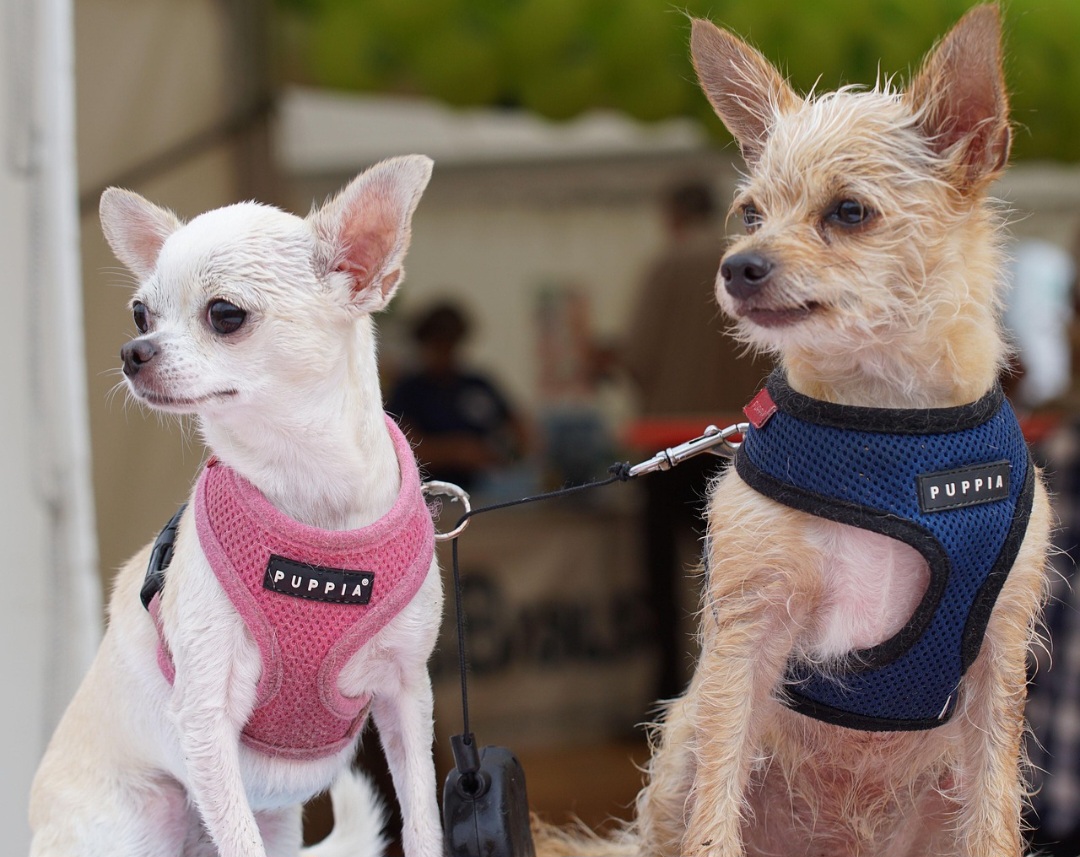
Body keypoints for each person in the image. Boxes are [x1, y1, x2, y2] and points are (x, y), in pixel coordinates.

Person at [621, 181, 771, 699]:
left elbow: (639, 356)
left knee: (665, 583)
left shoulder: (667, 266)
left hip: (671, 445)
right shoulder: (756, 262)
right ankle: (737, 694)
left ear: (673, 213)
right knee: (737, 580)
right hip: (744, 445)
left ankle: (668, 693)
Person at [387, 300, 528, 494]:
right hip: (428, 492)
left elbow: (522, 430)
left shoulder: (478, 385)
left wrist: (509, 455)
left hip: (483, 489)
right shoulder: (409, 390)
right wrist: (457, 452)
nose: (445, 352)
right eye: (438, 344)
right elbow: (404, 449)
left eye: (451, 343)